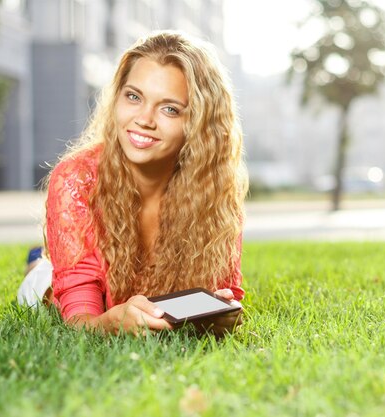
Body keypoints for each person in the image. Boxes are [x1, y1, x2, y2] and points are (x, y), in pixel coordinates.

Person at [16, 30, 248, 337]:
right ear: (117, 97)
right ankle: (38, 263)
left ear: (199, 124)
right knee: (40, 285)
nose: (144, 119)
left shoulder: (213, 187)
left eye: (170, 109)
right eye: (133, 96)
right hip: (60, 281)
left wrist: (220, 310)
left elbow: (227, 288)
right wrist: (107, 324)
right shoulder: (75, 177)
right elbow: (80, 318)